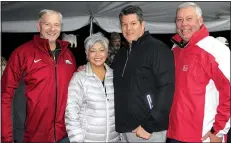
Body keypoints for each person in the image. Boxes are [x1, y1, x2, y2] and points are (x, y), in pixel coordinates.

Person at [1, 9, 76, 143]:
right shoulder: (22, 54)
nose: (52, 29)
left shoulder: (68, 55)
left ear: (61, 27)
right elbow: (5, 96)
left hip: (64, 136)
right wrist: (6, 138)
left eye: (56, 25)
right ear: (38, 25)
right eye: (47, 24)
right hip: (31, 137)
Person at [167, 2, 230, 143]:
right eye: (179, 19)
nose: (184, 24)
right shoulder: (175, 49)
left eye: (189, 19)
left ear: (200, 21)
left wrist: (219, 130)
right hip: (174, 133)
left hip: (203, 135)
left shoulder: (216, 49)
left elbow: (228, 92)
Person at [112, 5, 175, 142]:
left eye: (133, 23)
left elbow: (167, 89)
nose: (129, 29)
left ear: (143, 24)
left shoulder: (157, 49)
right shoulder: (122, 54)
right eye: (124, 24)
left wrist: (149, 126)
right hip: (124, 129)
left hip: (147, 131)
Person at [65, 33, 120, 142]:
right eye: (93, 50)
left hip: (114, 139)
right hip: (88, 139)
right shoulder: (79, 78)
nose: (97, 55)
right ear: (86, 53)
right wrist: (78, 139)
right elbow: (71, 112)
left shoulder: (115, 76)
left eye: (101, 50)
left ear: (107, 51)